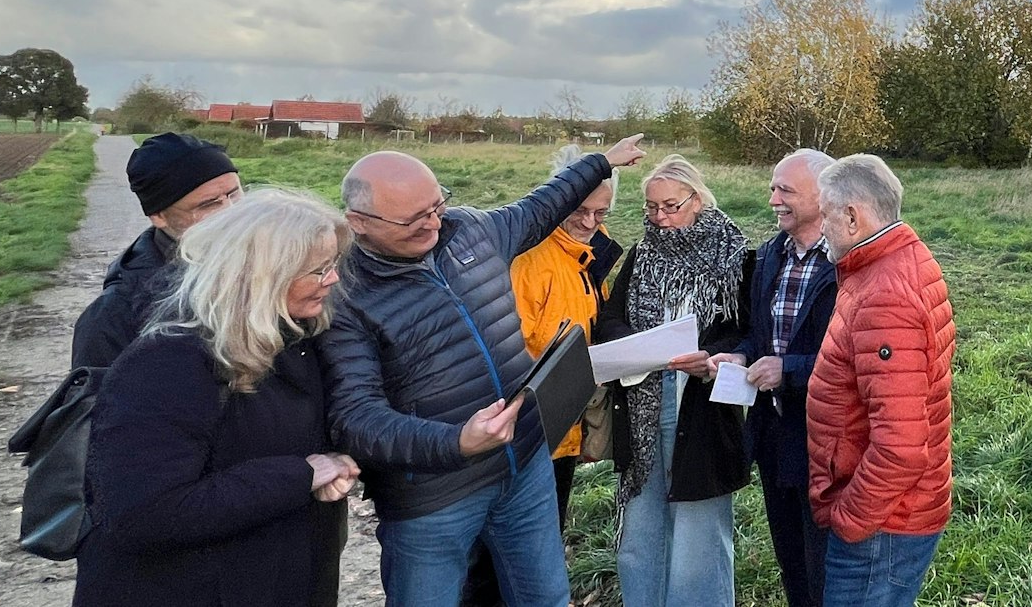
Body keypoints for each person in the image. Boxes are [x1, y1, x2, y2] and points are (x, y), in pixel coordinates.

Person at [320, 135, 646, 607]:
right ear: (359, 223)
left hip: (524, 465)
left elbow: (540, 206)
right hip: (433, 497)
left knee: (545, 599)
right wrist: (455, 443)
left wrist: (599, 163)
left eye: (436, 205)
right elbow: (355, 417)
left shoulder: (469, 229)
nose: (433, 223)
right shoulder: (344, 295)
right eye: (413, 219)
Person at [74, 187, 358, 607]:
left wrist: (329, 470)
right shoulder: (168, 362)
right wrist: (300, 475)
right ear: (261, 275)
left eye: (333, 264)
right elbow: (142, 513)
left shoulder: (296, 338)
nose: (332, 279)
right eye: (318, 269)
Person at [459, 146, 625, 607]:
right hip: (525, 431)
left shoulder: (587, 255)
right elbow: (506, 352)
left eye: (601, 212)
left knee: (539, 551)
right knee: (501, 562)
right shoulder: (529, 260)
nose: (590, 221)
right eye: (580, 209)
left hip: (562, 427)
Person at [594, 154, 752, 607]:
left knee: (699, 533)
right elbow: (610, 318)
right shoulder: (642, 255)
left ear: (697, 200)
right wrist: (635, 346)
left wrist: (715, 357)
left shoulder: (733, 255)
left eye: (670, 206)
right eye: (650, 208)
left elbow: (745, 330)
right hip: (643, 404)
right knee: (642, 528)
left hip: (702, 408)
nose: (659, 217)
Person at [806, 154, 956, 607]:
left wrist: (850, 519)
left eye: (826, 216)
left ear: (853, 217)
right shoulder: (893, 261)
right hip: (891, 515)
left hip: (883, 526)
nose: (821, 229)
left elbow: (902, 447)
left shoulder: (884, 295)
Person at [708, 148, 837, 607]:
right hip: (775, 435)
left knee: (827, 565)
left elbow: (855, 359)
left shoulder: (848, 263)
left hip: (826, 441)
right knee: (792, 560)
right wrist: (738, 357)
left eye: (785, 190)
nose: (772, 200)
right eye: (772, 188)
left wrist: (790, 370)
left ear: (823, 197)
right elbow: (758, 335)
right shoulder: (768, 255)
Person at [71, 131, 243, 368]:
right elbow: (96, 401)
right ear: (159, 216)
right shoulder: (116, 315)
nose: (232, 212)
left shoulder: (280, 262)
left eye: (234, 193)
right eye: (209, 203)